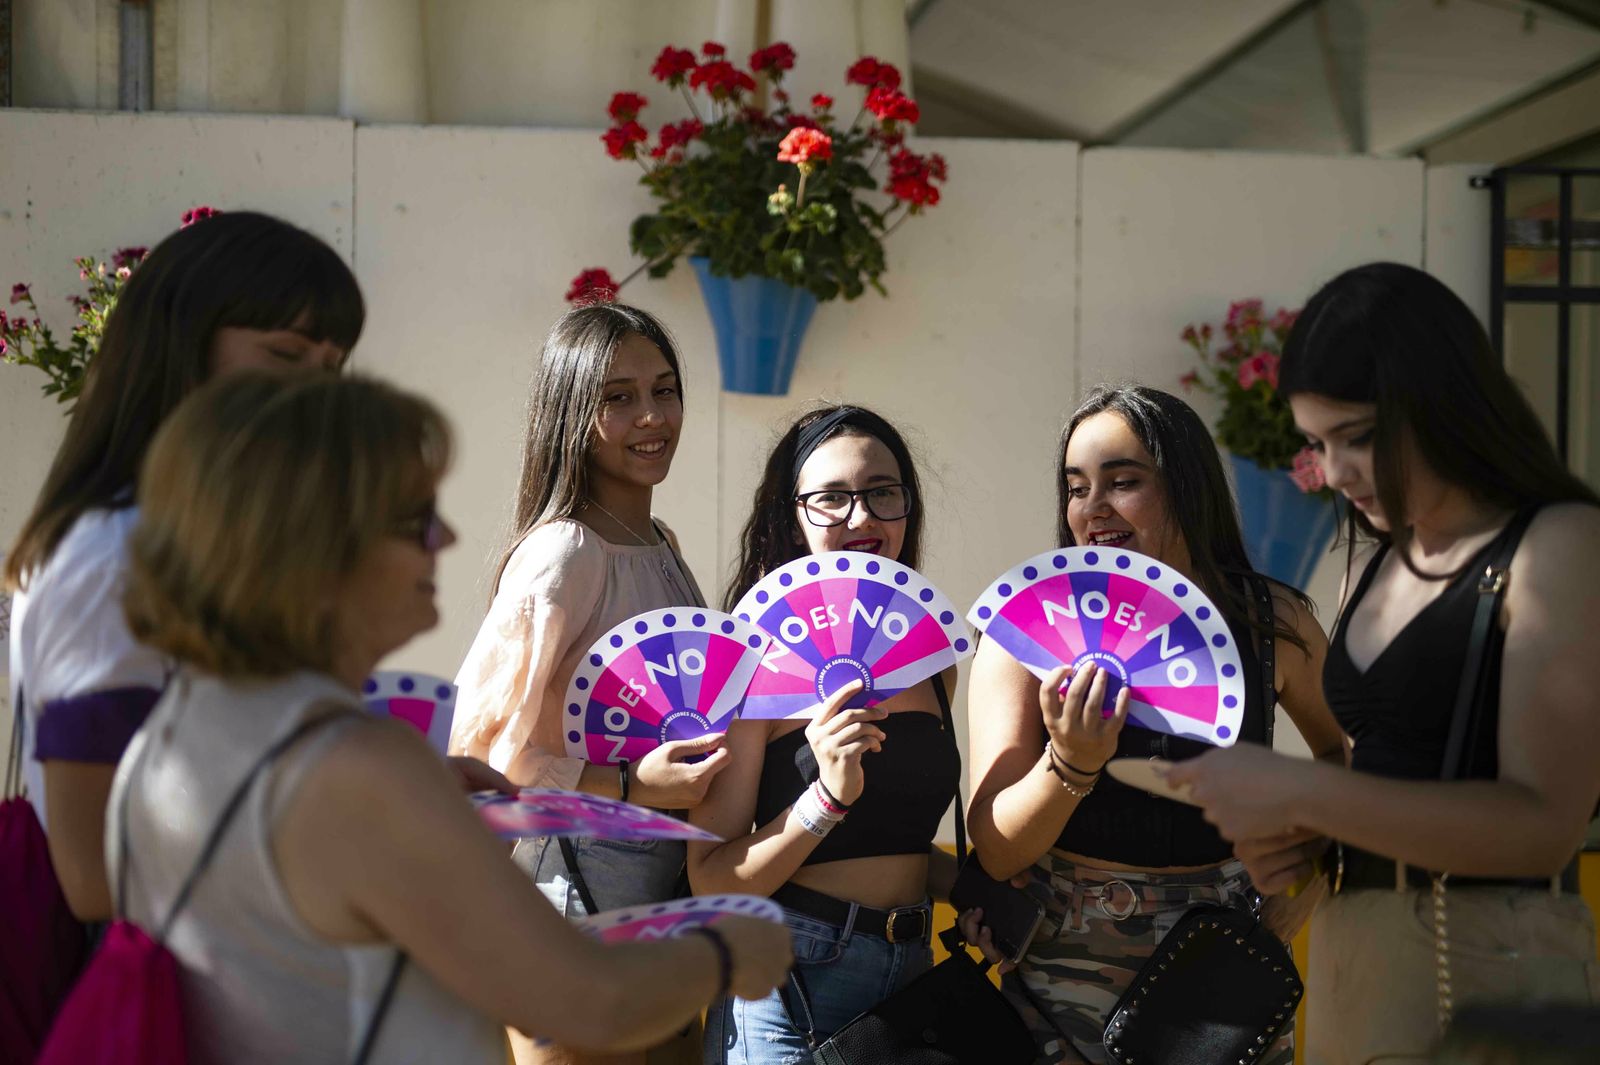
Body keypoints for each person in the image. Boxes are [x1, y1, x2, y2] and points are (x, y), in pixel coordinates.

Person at [112, 370, 792, 1064]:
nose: (444, 535)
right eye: (412, 518)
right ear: (308, 544)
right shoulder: (360, 760)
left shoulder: (170, 737)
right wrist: (730, 944)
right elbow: (587, 999)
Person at [1166, 262, 1600, 1064]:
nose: (1332, 473)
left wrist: (1306, 789)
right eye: (1316, 443)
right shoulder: (1371, 558)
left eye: (1357, 437)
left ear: (1445, 403)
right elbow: (1384, 781)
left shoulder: (1558, 541)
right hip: (1356, 961)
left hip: (1489, 972)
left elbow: (1544, 827)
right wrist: (1305, 840)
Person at [965, 385, 1346, 1064]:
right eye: (1076, 486)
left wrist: (1316, 869)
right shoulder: (1026, 630)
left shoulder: (1272, 623)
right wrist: (1070, 763)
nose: (1093, 506)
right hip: (1060, 978)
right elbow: (994, 847)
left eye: (1124, 481)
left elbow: (1348, 751)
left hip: (1223, 978)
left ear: (1187, 487)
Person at [6, 209, 362, 922]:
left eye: (332, 368)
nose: (317, 395)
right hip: (144, 994)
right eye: (286, 356)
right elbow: (95, 876)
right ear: (180, 348)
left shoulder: (199, 538)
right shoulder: (114, 556)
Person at [449, 302, 727, 1065]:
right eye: (618, 396)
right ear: (571, 412)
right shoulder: (564, 552)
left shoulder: (660, 543)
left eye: (665, 389)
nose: (652, 415)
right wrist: (632, 787)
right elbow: (481, 756)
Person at [690, 405, 1002, 1065]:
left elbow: (895, 841)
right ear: (792, 514)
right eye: (831, 498)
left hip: (913, 980)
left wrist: (972, 891)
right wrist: (825, 796)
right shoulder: (750, 661)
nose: (861, 518)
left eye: (882, 493)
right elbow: (712, 879)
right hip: (790, 985)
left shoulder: (930, 657)